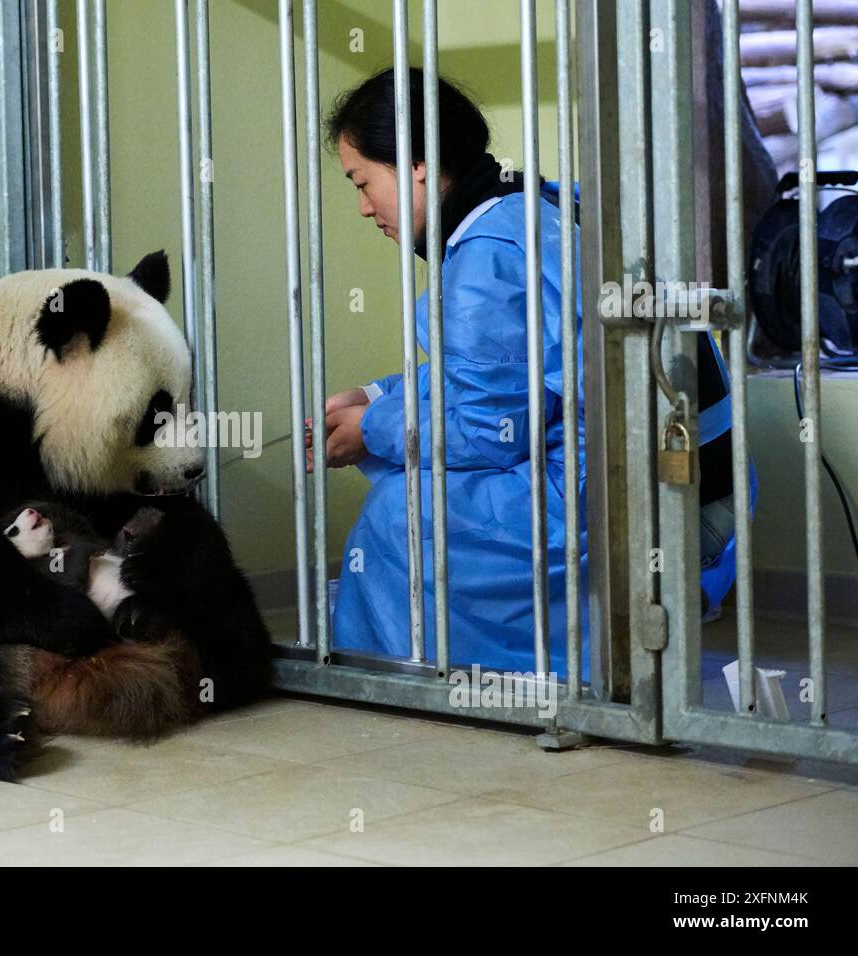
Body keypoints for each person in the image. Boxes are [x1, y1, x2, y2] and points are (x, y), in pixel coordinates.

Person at [312, 67, 748, 681]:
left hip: (643, 502)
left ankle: (408, 683)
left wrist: (374, 430)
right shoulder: (544, 202)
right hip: (703, 485)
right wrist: (378, 396)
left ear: (415, 164)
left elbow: (487, 432)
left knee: (399, 513)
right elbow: (510, 377)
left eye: (362, 182)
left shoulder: (488, 252)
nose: (362, 208)